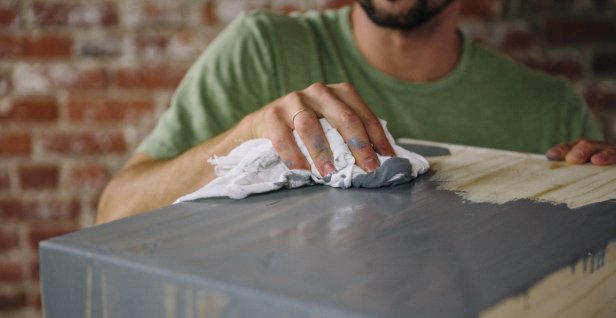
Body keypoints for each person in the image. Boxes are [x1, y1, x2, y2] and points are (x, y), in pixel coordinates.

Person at [96, 0, 615, 224]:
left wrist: (597, 187)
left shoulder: (551, 107)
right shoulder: (264, 50)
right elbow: (114, 213)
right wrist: (247, 135)